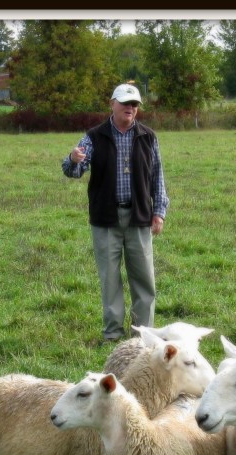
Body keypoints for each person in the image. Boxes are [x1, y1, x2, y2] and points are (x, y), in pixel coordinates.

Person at [62, 82, 169, 342]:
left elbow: (157, 176)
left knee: (144, 280)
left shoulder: (148, 136)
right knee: (110, 280)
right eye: (125, 103)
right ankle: (112, 334)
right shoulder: (93, 136)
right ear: (112, 104)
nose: (130, 108)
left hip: (139, 217)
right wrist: (73, 159)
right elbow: (73, 171)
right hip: (106, 219)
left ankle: (143, 336)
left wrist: (159, 211)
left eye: (134, 104)